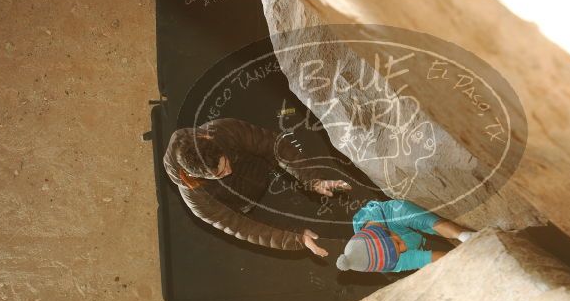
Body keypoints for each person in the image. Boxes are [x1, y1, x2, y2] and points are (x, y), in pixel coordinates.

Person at [164, 117, 351, 257]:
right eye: (218, 175)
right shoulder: (197, 199)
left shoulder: (223, 130)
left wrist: (313, 179)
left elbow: (274, 146)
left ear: (206, 136)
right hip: (247, 208)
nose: (227, 172)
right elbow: (242, 227)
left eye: (226, 162)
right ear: (193, 175)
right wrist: (296, 238)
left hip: (264, 172)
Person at [336, 199, 474, 273]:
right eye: (397, 253)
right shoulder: (385, 261)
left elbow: (427, 221)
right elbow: (423, 259)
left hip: (417, 228)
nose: (403, 249)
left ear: (385, 230)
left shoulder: (396, 210)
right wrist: (466, 262)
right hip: (420, 243)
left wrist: (465, 236)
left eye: (397, 243)